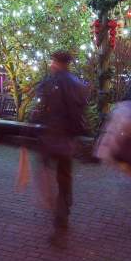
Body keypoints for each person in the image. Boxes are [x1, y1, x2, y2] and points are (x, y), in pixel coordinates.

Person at [32, 50, 89, 235]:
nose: (51, 64)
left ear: (57, 62)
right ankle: (64, 203)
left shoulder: (51, 83)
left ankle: (57, 209)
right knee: (64, 174)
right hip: (68, 137)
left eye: (52, 61)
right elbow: (81, 109)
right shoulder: (78, 84)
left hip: (53, 135)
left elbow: (41, 108)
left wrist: (35, 121)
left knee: (45, 170)